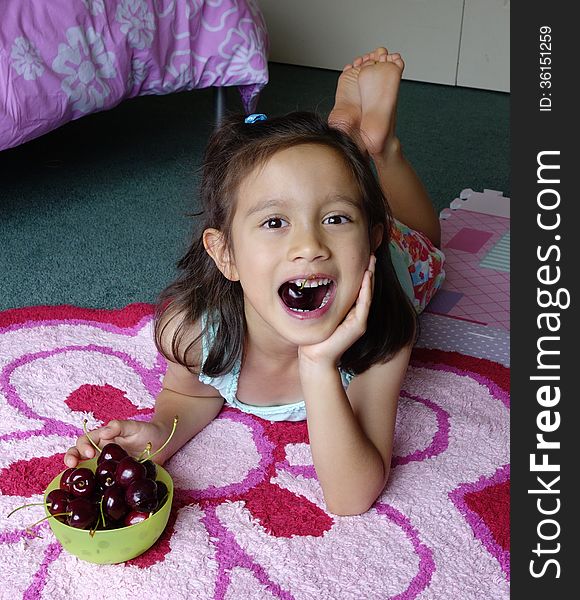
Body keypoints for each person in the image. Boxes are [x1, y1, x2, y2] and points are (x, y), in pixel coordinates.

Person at [64, 47, 445, 516]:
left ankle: (378, 148)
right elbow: (189, 392)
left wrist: (319, 364)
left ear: (368, 243)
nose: (309, 244)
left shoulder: (385, 331)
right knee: (335, 186)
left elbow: (350, 496)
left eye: (335, 218)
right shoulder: (192, 331)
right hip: (357, 241)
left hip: (398, 260)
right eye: (274, 223)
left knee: (426, 238)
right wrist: (159, 433)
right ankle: (346, 142)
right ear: (225, 255)